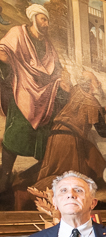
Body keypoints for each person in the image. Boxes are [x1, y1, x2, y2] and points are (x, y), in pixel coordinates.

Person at [0, 4, 69, 192]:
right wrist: (17, 64)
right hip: (21, 87)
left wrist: (62, 80)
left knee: (46, 133)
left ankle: (41, 174)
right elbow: (2, 52)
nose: (46, 24)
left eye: (47, 20)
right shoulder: (18, 33)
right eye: (43, 19)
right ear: (34, 18)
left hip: (45, 92)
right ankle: (4, 177)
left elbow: (56, 66)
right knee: (16, 133)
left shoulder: (47, 43)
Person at [37, 71, 106, 184]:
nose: (99, 83)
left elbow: (82, 110)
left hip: (55, 135)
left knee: (95, 160)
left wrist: (104, 109)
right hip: (69, 140)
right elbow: (103, 131)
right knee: (68, 177)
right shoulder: (92, 102)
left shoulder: (76, 90)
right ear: (89, 85)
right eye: (96, 81)